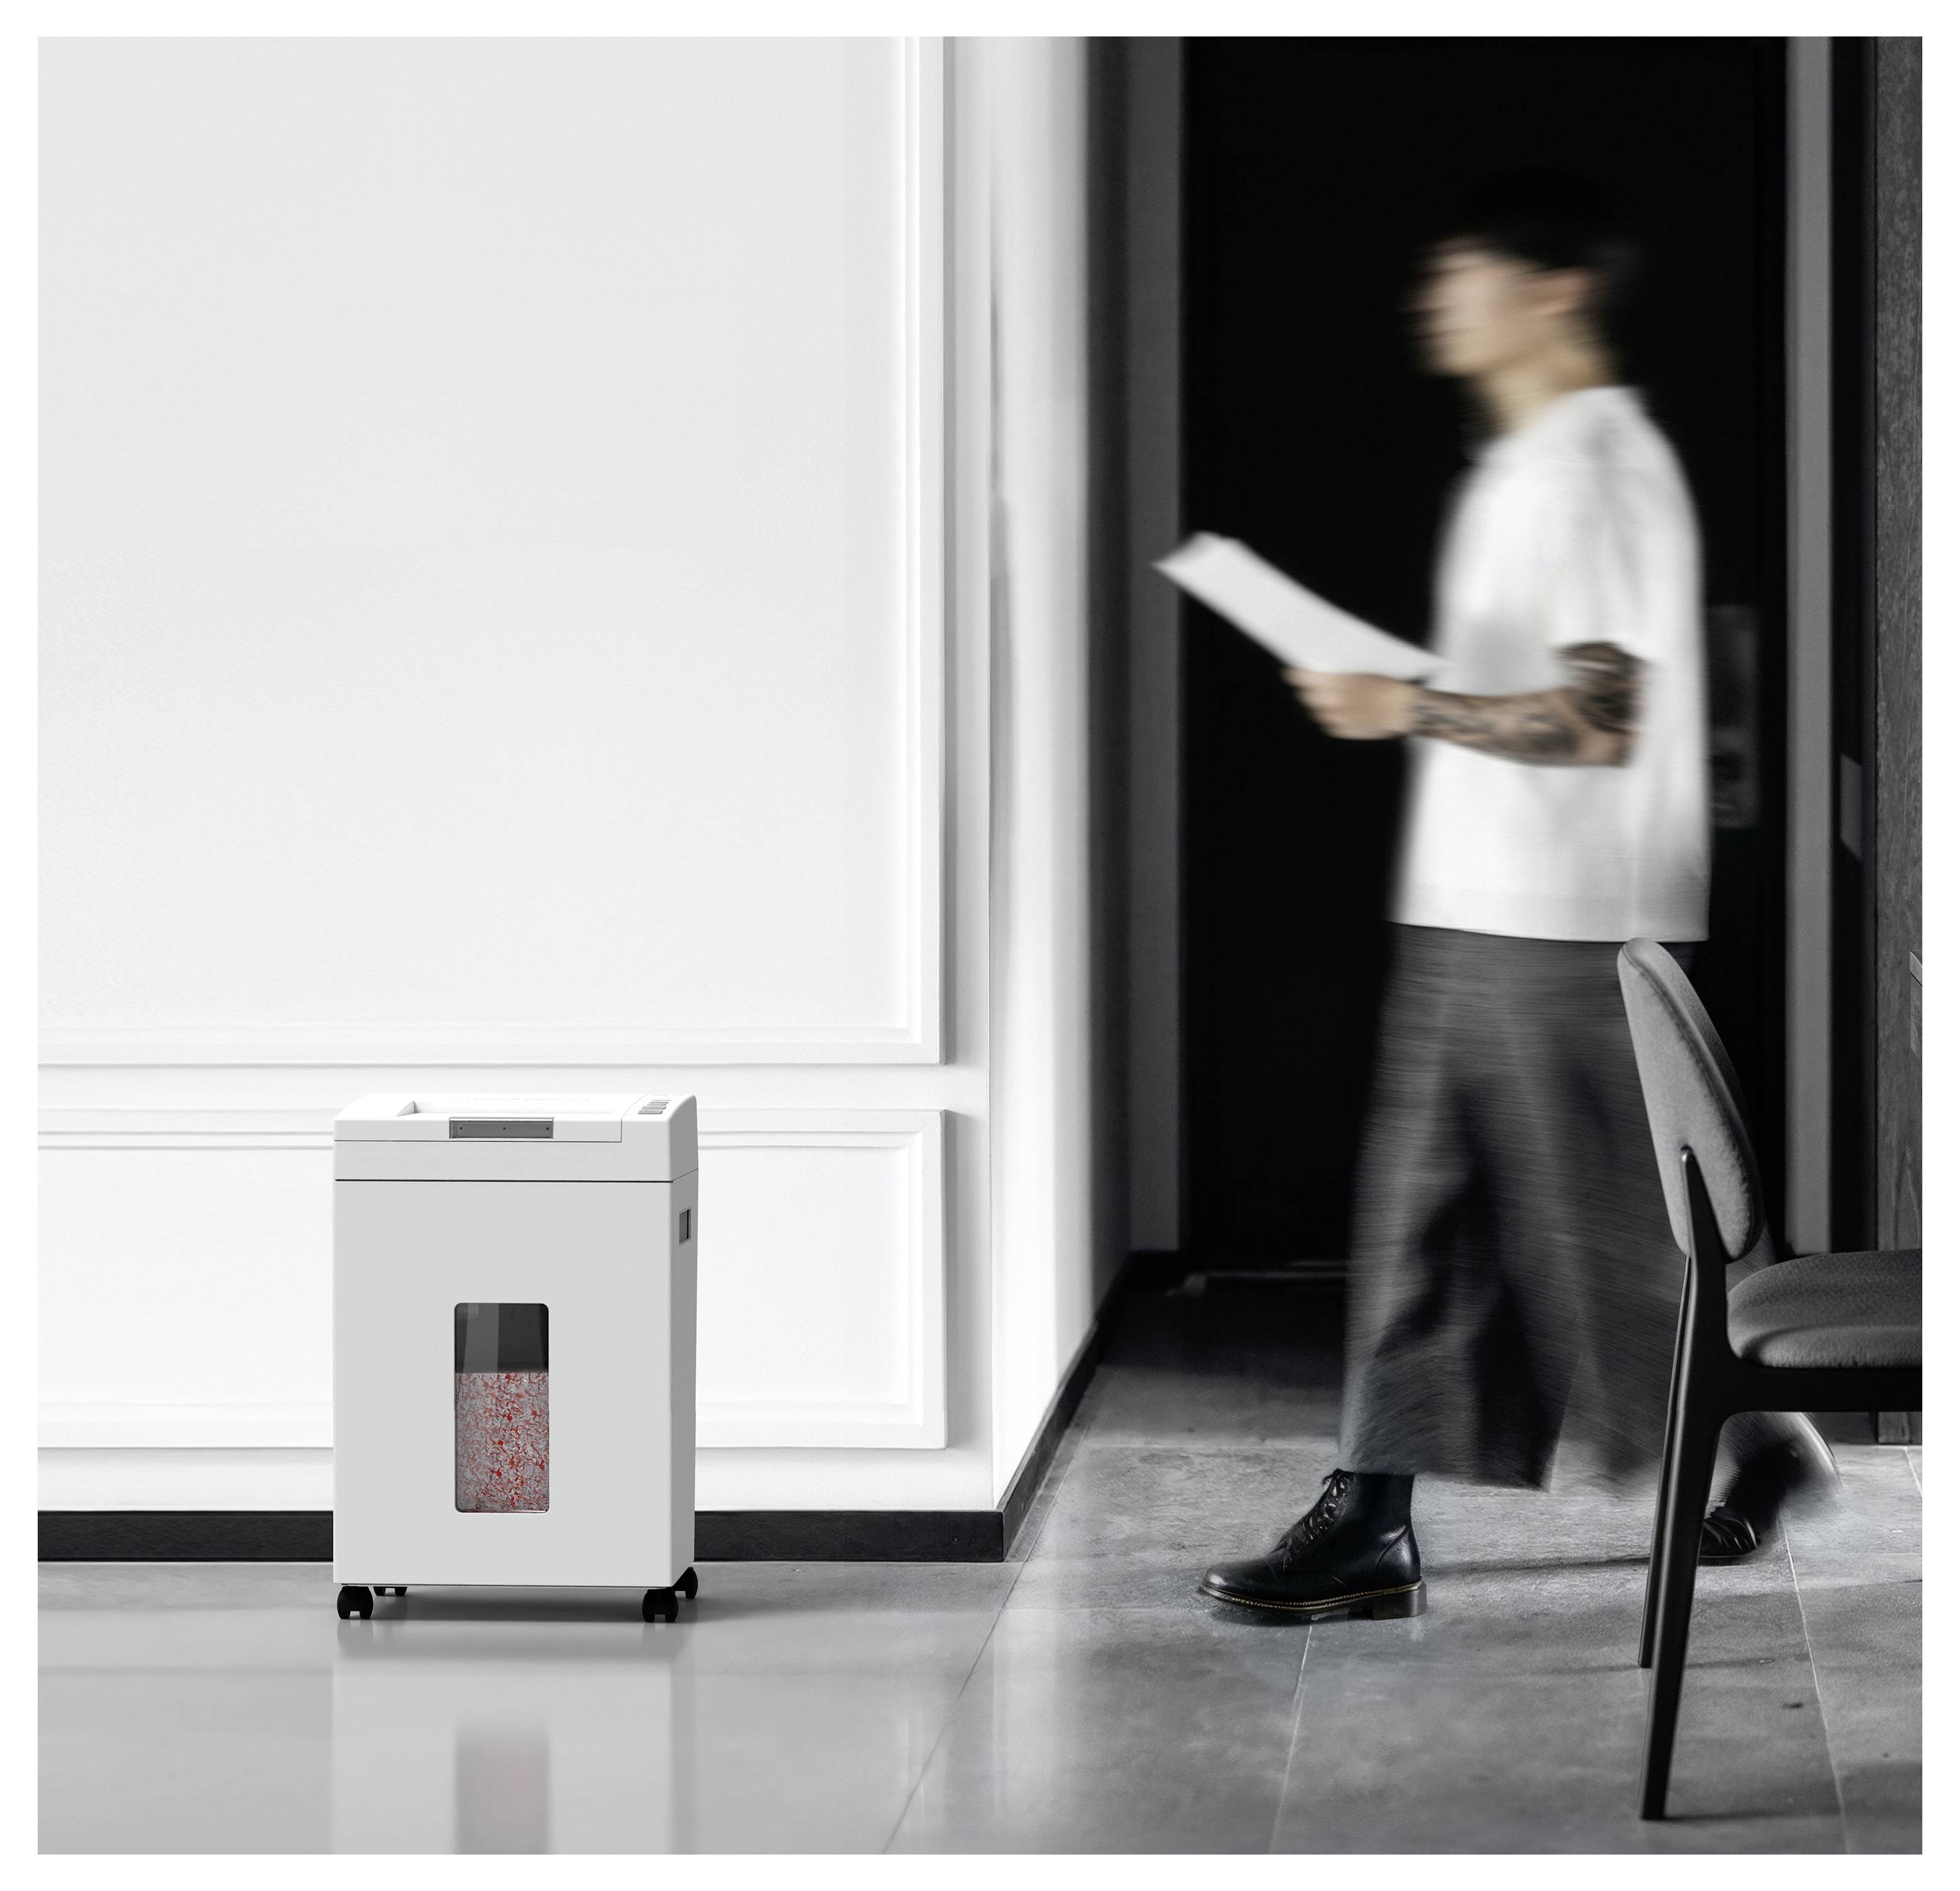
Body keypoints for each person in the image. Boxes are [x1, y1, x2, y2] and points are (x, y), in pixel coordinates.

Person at [1200, 168, 1837, 1621]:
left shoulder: (1601, 468)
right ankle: (1371, 1516)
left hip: (1569, 909)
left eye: (1466, 272)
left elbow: (1604, 715)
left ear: (1554, 291)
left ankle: (1759, 1439)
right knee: (1426, 1218)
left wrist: (1406, 702)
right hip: (1478, 898)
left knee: (1604, 1229)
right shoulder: (1520, 461)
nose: (1438, 296)